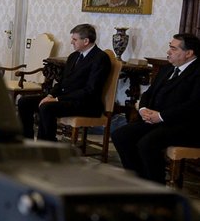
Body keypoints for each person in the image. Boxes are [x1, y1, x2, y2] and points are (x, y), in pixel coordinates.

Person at [113, 33, 200, 183]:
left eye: (173, 48)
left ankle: (156, 187)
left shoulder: (198, 72)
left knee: (147, 143)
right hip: (160, 121)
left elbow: (194, 105)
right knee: (121, 134)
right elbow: (149, 93)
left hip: (187, 126)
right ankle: (138, 181)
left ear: (189, 53)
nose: (168, 52)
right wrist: (143, 109)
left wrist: (161, 116)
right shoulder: (167, 69)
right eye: (169, 47)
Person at [17, 24, 110, 142]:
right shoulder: (74, 56)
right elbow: (61, 82)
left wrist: (57, 99)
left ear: (86, 41)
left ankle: (48, 146)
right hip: (66, 99)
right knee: (24, 102)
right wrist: (50, 95)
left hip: (85, 103)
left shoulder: (100, 58)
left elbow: (90, 90)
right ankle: (26, 141)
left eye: (75, 39)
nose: (72, 42)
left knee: (46, 107)